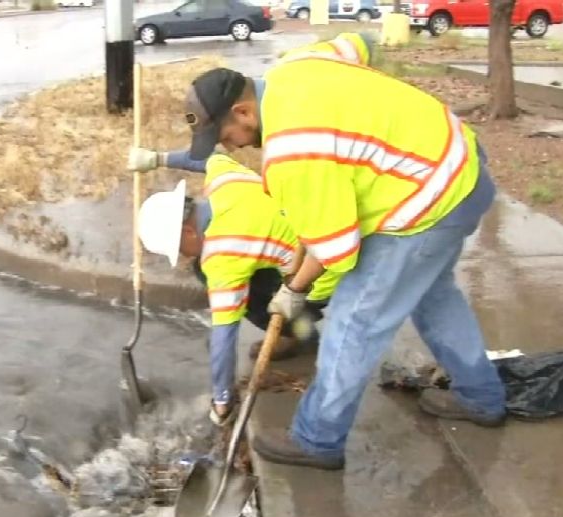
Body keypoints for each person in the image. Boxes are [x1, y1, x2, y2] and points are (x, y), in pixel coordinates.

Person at [167, 31, 507, 470]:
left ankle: (317, 438)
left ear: (243, 110)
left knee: (354, 318)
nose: (230, 147)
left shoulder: (292, 152)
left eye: (226, 136)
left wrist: (293, 289)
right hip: (458, 161)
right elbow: (362, 41)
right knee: (431, 293)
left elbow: (338, 253)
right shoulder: (297, 63)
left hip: (426, 199)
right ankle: (481, 395)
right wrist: (370, 120)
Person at [136, 153, 339, 426]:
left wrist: (222, 400)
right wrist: (159, 158)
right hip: (326, 234)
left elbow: (224, 333)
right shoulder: (225, 179)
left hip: (319, 275)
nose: (183, 256)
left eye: (180, 249)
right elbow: (206, 158)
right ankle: (302, 327)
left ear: (188, 232)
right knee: (227, 268)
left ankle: (299, 332)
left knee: (215, 278)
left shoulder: (223, 256)